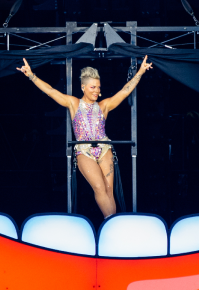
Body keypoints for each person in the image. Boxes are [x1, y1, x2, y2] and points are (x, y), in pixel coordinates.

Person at [16, 57, 154, 218]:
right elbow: (51, 91)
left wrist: (140, 72)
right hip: (83, 150)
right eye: (93, 87)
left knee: (109, 190)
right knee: (99, 187)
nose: (96, 90)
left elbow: (124, 91)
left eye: (98, 87)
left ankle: (112, 223)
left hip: (104, 148)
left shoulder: (104, 105)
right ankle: (111, 221)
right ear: (83, 87)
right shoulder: (73, 103)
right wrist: (31, 75)